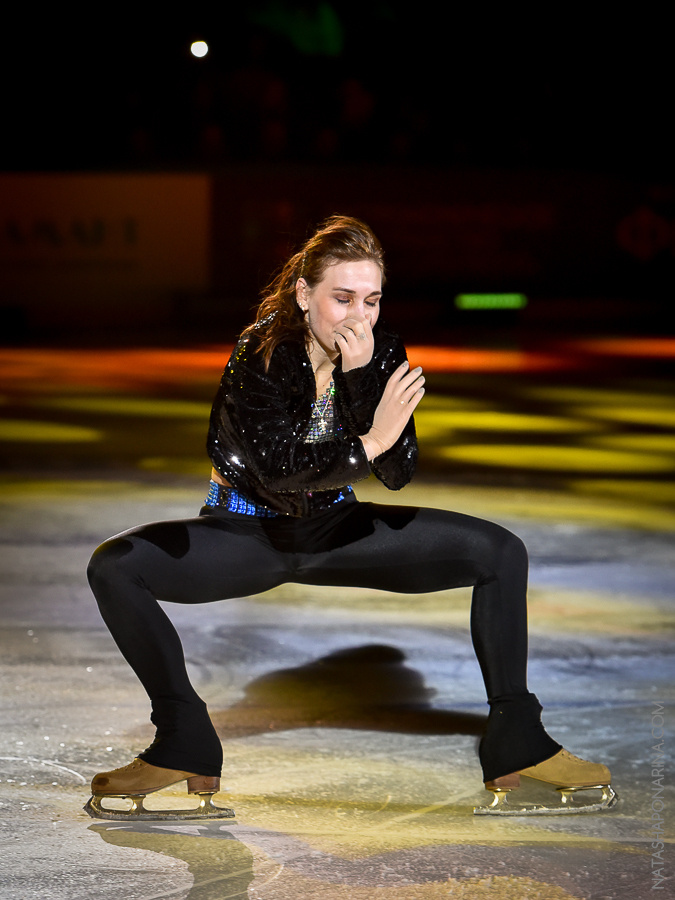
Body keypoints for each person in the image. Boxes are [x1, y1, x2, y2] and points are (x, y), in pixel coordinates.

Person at [86, 215, 616, 819]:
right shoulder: (260, 353)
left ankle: (518, 739)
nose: (358, 316)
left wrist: (364, 382)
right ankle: (183, 738)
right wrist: (371, 440)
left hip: (338, 531)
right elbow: (281, 470)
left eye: (371, 299)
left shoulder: (381, 349)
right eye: (341, 298)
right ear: (303, 293)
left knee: (500, 552)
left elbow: (398, 472)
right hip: (246, 533)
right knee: (115, 566)